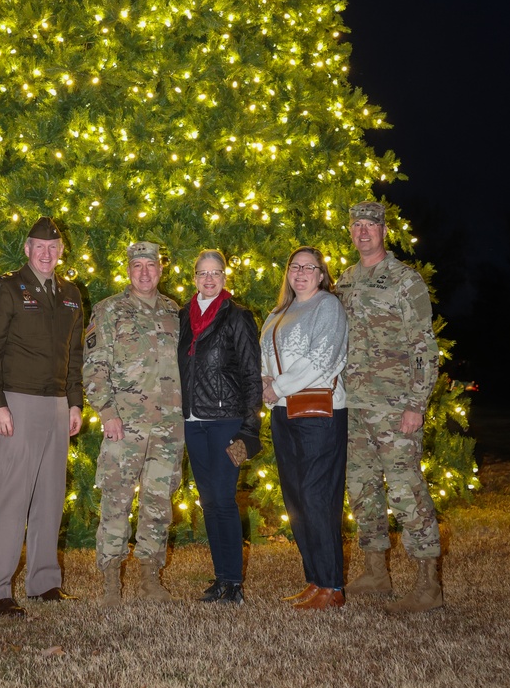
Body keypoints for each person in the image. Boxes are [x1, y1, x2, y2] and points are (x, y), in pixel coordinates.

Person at [335, 199, 442, 613]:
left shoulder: (404, 280)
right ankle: (376, 572)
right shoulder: (344, 281)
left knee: (405, 490)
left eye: (371, 226)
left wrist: (416, 404)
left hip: (396, 408)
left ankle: (428, 585)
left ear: (384, 232)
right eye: (357, 224)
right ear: (350, 230)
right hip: (354, 407)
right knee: (361, 490)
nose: (363, 231)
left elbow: (423, 346)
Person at [0, 217, 84, 616]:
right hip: (16, 402)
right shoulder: (6, 289)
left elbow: (75, 356)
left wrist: (74, 402)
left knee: (51, 497)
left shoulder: (71, 294)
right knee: (12, 498)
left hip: (57, 404)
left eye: (53, 247)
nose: (46, 253)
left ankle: (43, 582)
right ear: (27, 249)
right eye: (39, 246)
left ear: (61, 252)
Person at [83, 240, 182, 605]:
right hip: (124, 424)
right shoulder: (109, 310)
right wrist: (106, 413)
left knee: (158, 502)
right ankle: (111, 581)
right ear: (128, 270)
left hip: (168, 428)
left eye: (151, 266)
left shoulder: (174, 312)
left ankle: (149, 579)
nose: (144, 272)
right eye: (137, 266)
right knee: (116, 501)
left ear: (161, 269)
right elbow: (95, 367)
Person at [259, 246, 348, 611]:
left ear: (321, 274)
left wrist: (276, 387)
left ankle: (332, 586)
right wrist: (267, 382)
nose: (301, 273)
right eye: (294, 267)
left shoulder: (328, 306)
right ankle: (314, 579)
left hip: (319, 414)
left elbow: (322, 358)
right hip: (283, 413)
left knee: (316, 496)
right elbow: (265, 356)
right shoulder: (278, 312)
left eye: (309, 267)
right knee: (296, 499)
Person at [177, 249, 262, 605]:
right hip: (193, 422)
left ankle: (234, 584)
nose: (209, 279)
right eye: (202, 273)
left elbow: (251, 375)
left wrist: (249, 428)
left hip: (226, 420)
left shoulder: (238, 317)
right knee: (209, 503)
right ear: (194, 278)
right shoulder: (184, 316)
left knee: (224, 501)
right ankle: (220, 578)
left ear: (225, 277)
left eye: (216, 273)